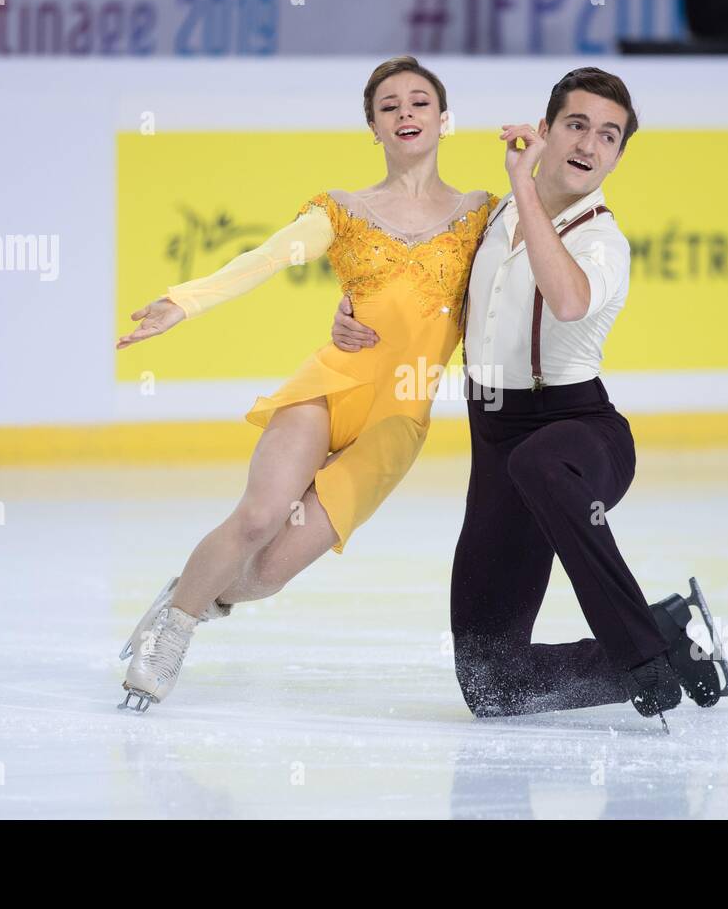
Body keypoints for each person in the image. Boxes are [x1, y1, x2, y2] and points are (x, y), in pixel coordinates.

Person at [333, 68, 728, 725]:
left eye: (609, 136)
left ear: (618, 155)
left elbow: (569, 300)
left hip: (578, 431)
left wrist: (524, 187)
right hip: (495, 434)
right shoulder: (487, 216)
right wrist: (351, 317)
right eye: (576, 125)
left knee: (539, 463)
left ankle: (641, 659)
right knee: (492, 685)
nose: (590, 144)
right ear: (545, 131)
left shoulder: (603, 240)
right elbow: (421, 296)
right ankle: (669, 641)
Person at [113, 56, 497, 712]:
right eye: (390, 106)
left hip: (396, 423)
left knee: (265, 575)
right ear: (373, 127)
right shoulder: (343, 210)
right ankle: (172, 631)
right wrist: (186, 302)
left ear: (443, 118)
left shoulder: (481, 214)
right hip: (331, 387)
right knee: (259, 515)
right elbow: (266, 257)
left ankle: (193, 593)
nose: (406, 113)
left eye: (420, 101)